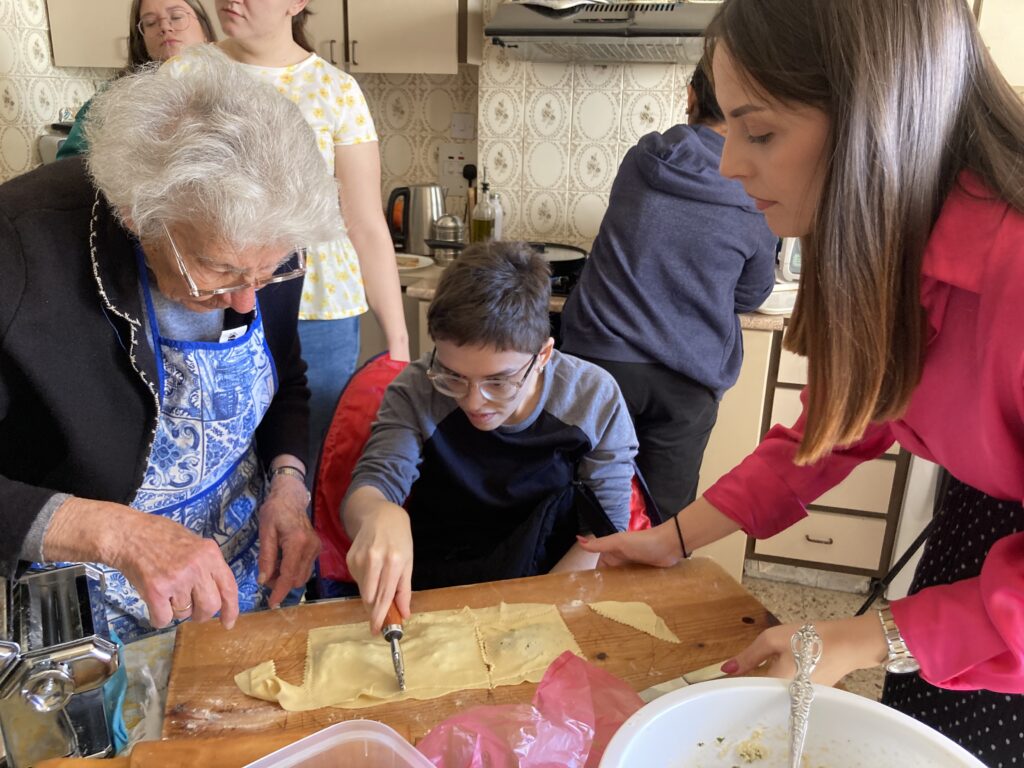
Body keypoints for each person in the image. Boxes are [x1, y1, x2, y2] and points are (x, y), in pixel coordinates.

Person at [580, 0, 1024, 763]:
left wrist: (864, 634)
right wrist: (674, 538)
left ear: (874, 120)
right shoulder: (891, 243)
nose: (728, 164)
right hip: (973, 553)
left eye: (759, 132)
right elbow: (835, 428)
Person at [0, 45, 340, 642]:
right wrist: (119, 533)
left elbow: (284, 373)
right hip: (80, 603)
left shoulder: (265, 235)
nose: (245, 302)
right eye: (221, 272)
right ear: (137, 215)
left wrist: (288, 486)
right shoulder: (17, 251)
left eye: (269, 273)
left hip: (238, 575)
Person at [341, 242, 640, 632]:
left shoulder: (592, 399)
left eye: (498, 381)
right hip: (437, 585)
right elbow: (370, 489)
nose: (473, 401)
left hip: (550, 579)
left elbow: (602, 535)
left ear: (544, 355)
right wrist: (378, 512)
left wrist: (531, 614)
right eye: (453, 376)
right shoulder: (415, 389)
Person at [560, 60, 776, 517]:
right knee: (664, 521)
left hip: (602, 363)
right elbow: (752, 294)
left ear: (691, 95)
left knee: (580, 506)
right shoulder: (758, 189)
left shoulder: (644, 158)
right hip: (686, 377)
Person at [213, 0, 411, 477]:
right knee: (222, 460)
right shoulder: (191, 74)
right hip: (214, 298)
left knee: (310, 467)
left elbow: (364, 222)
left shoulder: (336, 91)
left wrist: (400, 343)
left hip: (320, 313)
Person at [57, 0, 216, 159]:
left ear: (205, 31)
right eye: (150, 23)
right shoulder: (113, 97)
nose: (165, 28)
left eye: (176, 17)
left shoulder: (234, 83)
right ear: (142, 39)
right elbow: (68, 165)